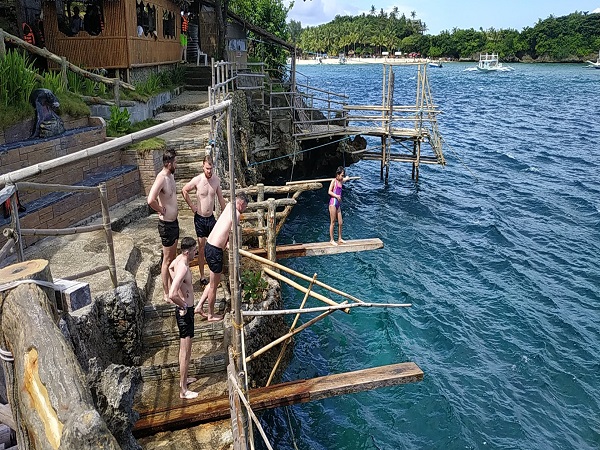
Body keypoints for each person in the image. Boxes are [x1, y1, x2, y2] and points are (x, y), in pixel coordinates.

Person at [195, 192, 249, 321]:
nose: (244, 210)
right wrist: (230, 245)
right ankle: (210, 314)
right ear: (241, 204)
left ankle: (199, 306)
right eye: (245, 207)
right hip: (215, 251)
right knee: (214, 286)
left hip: (209, 246)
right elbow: (234, 235)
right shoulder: (236, 213)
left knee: (213, 281)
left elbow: (225, 229)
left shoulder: (230, 205)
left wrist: (226, 242)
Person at [181, 155, 226, 285]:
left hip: (210, 218)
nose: (209, 171)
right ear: (203, 167)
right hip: (200, 218)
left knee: (216, 245)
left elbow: (221, 199)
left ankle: (216, 272)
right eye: (207, 169)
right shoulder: (198, 180)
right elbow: (184, 190)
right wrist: (192, 206)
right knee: (201, 247)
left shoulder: (216, 181)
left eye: (211, 168)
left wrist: (224, 215)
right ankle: (202, 276)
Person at [168, 237, 199, 399]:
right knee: (186, 352)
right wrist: (183, 305)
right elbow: (172, 294)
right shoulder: (183, 267)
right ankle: (183, 391)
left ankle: (184, 380)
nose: (196, 252)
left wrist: (180, 293)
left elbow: (169, 268)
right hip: (185, 313)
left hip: (185, 310)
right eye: (194, 250)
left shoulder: (179, 260)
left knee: (184, 350)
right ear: (187, 252)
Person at [147, 150, 179, 302]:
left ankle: (173, 287)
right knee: (166, 260)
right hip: (166, 225)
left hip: (174, 223)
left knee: (173, 258)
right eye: (175, 162)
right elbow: (150, 199)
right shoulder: (161, 178)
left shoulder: (171, 175)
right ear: (168, 163)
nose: (177, 165)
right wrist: (160, 210)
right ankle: (166, 293)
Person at [327, 166, 350, 246]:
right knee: (333, 222)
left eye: (343, 175)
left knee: (340, 222)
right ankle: (331, 240)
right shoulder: (334, 181)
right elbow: (329, 191)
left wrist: (347, 177)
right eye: (342, 175)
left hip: (338, 204)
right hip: (333, 203)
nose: (342, 177)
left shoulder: (341, 181)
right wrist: (336, 196)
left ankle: (340, 238)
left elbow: (346, 179)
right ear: (338, 174)